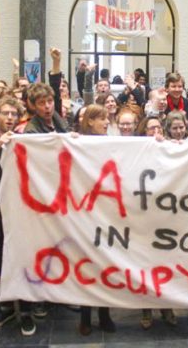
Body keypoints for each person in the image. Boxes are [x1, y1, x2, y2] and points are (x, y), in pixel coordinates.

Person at [0, 97, 36, 335]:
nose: (9, 117)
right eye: (5, 113)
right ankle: (8, 305)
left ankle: (28, 309)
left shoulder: (27, 142)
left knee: (25, 259)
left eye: (14, 114)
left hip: (23, 212)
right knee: (2, 261)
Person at [76, 104, 116, 335]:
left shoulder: (111, 142)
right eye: (102, 118)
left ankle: (104, 314)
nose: (106, 122)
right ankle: (85, 316)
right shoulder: (78, 141)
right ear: (90, 121)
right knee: (87, 265)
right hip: (85, 213)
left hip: (107, 211)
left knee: (105, 264)